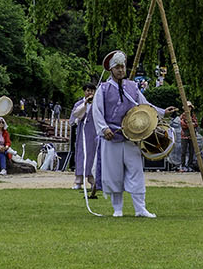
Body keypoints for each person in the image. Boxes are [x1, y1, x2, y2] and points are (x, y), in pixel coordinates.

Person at [92, 51, 160, 219]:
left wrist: (163, 112)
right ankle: (117, 209)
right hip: (112, 136)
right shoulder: (103, 89)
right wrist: (104, 129)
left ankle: (140, 208)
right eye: (117, 67)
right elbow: (97, 111)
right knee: (114, 174)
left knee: (136, 172)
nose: (121, 70)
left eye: (122, 67)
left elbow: (145, 106)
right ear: (111, 69)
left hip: (132, 136)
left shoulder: (132, 87)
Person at [69, 83, 99, 196]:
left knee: (93, 155)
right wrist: (85, 103)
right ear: (84, 92)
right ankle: (78, 181)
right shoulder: (79, 104)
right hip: (82, 132)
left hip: (94, 132)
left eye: (92, 91)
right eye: (88, 90)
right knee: (81, 154)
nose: (90, 93)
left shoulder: (97, 103)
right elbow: (75, 116)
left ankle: (92, 181)